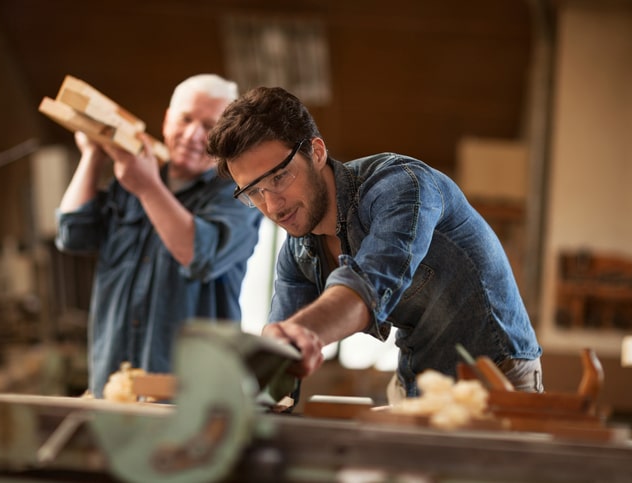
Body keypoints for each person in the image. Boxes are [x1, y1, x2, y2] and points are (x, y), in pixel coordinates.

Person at [206, 86, 543, 401]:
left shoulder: (401, 187)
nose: (273, 206)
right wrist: (253, 385)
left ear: (316, 152)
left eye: (279, 177)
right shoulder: (298, 254)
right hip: (419, 381)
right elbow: (280, 346)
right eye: (254, 192)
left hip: (499, 377)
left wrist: (301, 333)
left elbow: (368, 287)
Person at [55, 74, 263, 398]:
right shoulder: (132, 181)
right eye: (185, 119)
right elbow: (72, 233)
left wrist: (148, 187)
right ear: (167, 119)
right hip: (114, 386)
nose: (194, 135)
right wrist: (92, 154)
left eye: (209, 125)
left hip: (191, 402)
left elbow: (199, 255)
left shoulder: (239, 197)